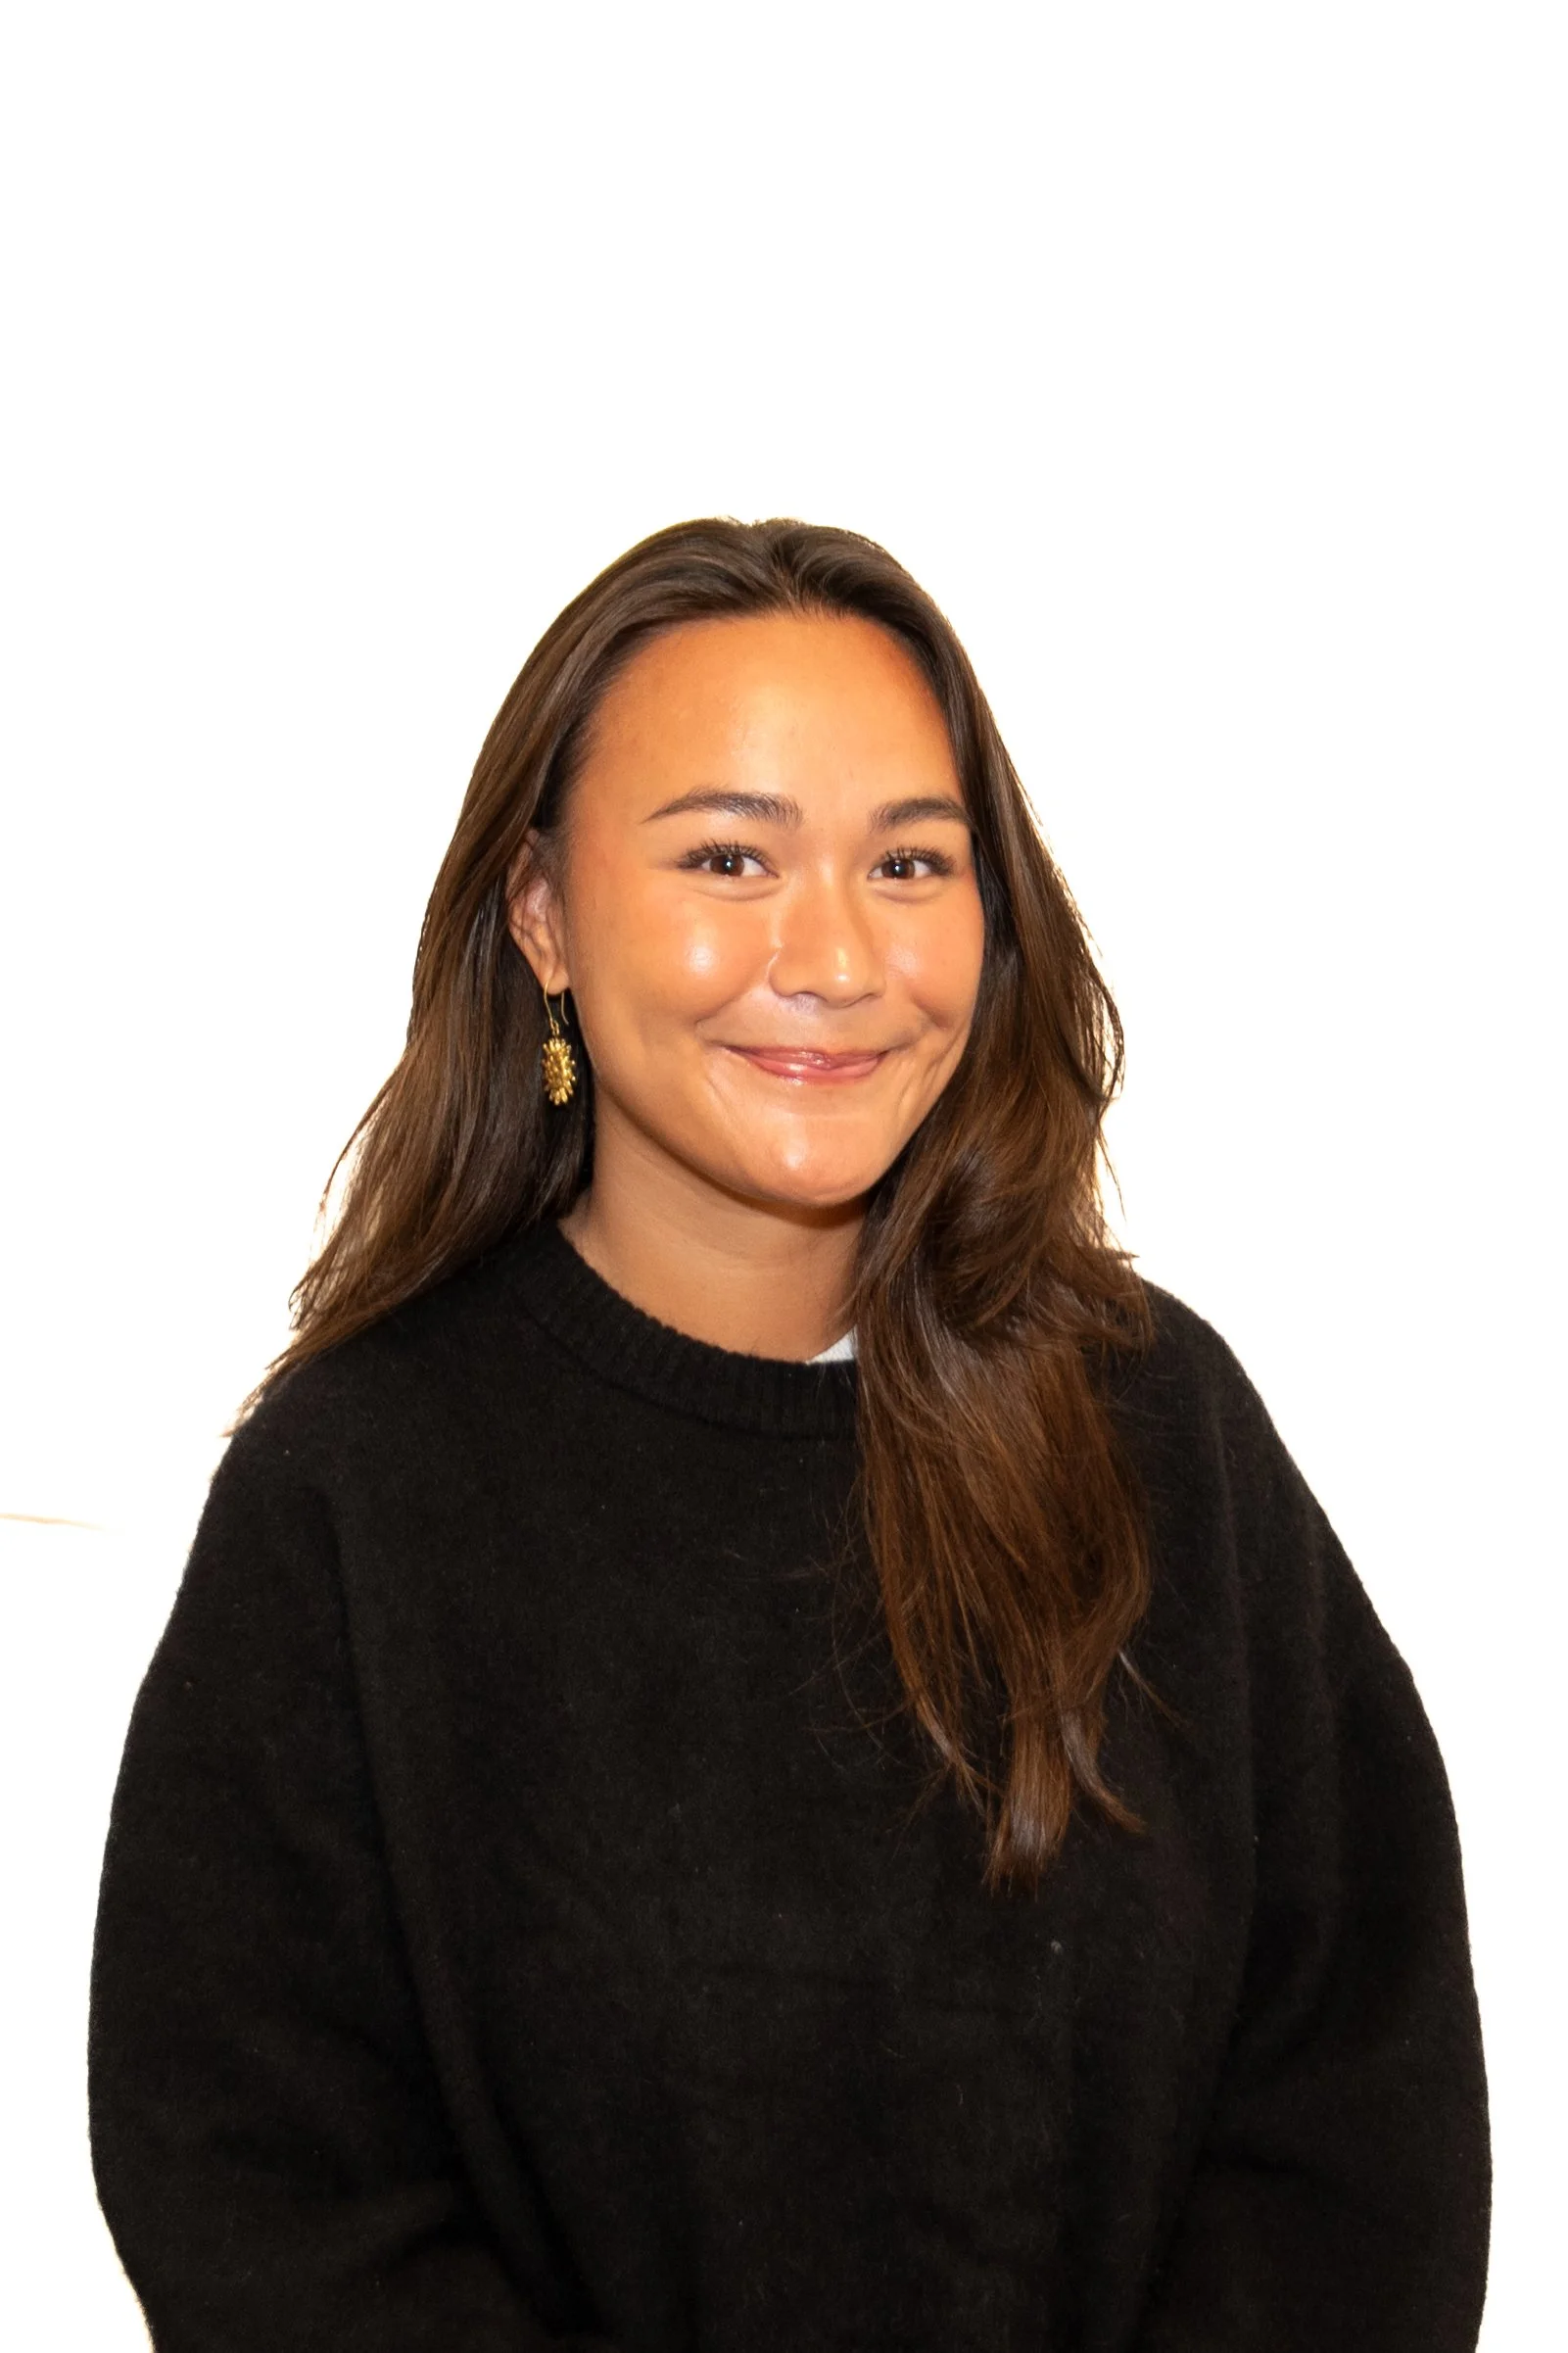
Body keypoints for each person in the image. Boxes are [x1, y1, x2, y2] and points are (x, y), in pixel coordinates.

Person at [87, 517, 1491, 2351]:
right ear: (542, 915)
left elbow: (1358, 2125)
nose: (833, 956)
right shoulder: (358, 1491)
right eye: (729, 857)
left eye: (908, 861)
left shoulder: (1164, 1435)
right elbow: (260, 2179)